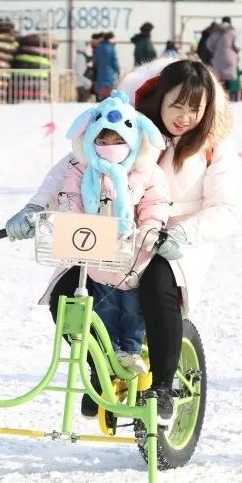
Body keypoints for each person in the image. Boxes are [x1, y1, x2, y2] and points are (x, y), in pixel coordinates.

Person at [3, 59, 242, 423]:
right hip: (116, 229)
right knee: (68, 293)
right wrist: (34, 209)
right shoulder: (127, 126)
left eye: (195, 109)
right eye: (177, 105)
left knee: (158, 285)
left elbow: (225, 208)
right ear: (160, 98)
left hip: (181, 235)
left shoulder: (213, 145)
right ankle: (99, 367)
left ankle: (161, 385)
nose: (185, 117)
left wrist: (179, 233)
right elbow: (75, 164)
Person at [59, 92, 170, 375]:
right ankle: (108, 354)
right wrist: (70, 218)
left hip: (132, 256)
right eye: (103, 141)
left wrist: (150, 227)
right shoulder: (84, 171)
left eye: (119, 141)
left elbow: (155, 203)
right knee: (101, 308)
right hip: (95, 254)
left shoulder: (145, 172)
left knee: (132, 308)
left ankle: (131, 350)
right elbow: (70, 196)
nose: (110, 148)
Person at [207, 16, 239, 95]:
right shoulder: (233, 32)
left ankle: (220, 95)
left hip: (218, 57)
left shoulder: (216, 32)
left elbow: (209, 45)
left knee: (219, 79)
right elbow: (238, 46)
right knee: (228, 79)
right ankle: (227, 95)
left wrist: (215, 50)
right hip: (230, 58)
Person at [93, 32, 120, 101]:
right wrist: (118, 71)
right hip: (109, 74)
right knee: (109, 94)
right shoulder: (111, 48)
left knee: (101, 93)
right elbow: (115, 61)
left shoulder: (98, 48)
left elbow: (95, 61)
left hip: (100, 74)